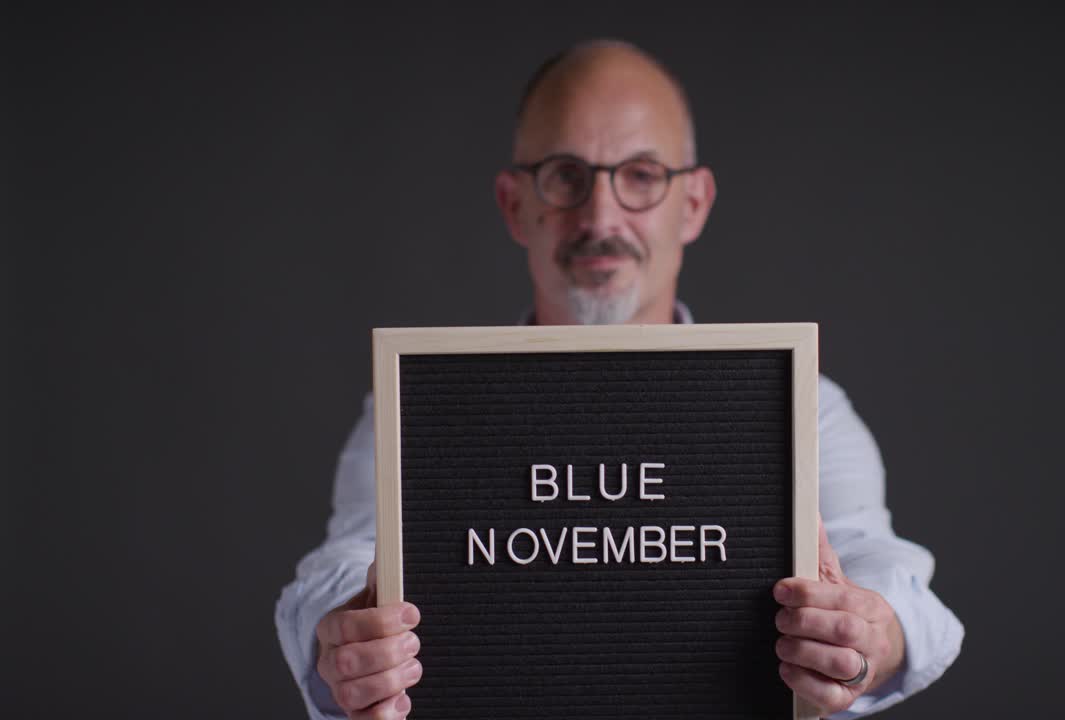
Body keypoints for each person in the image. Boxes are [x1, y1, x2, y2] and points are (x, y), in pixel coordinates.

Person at [276, 40, 963, 720]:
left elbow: (884, 573)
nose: (601, 218)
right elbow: (344, 567)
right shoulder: (415, 409)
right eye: (566, 176)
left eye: (640, 175)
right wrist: (346, 636)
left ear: (692, 203)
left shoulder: (802, 409)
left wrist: (872, 634)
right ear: (515, 205)